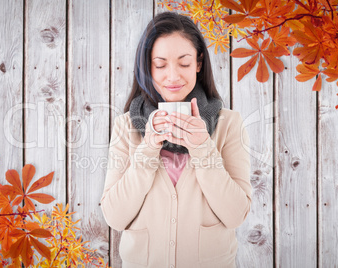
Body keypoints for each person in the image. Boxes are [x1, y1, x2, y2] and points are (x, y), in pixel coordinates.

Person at [101, 11, 251, 268]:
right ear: (147, 66)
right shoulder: (125, 126)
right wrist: (148, 148)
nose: (172, 77)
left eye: (184, 63)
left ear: (199, 63)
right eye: (160, 65)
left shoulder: (229, 124)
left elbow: (236, 215)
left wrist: (203, 148)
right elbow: (115, 217)